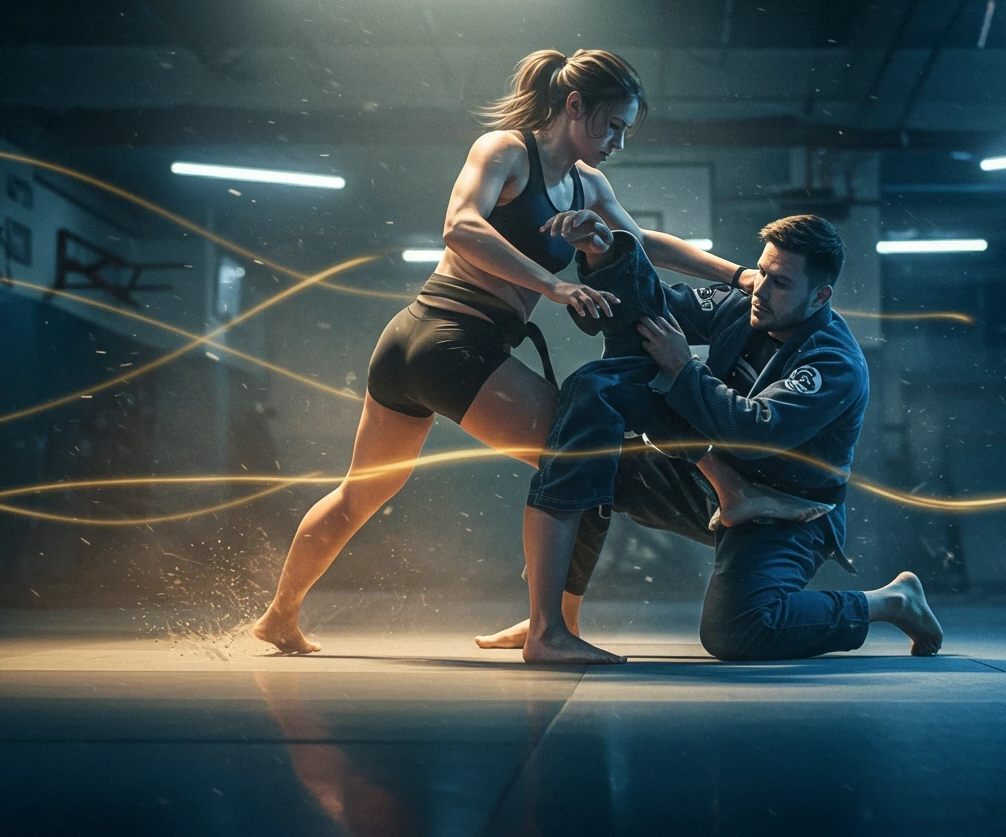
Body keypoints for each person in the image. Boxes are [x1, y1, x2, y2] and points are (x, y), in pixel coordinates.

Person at [252, 49, 817, 664]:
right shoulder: (504, 151)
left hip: (426, 344)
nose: (618, 143)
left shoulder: (587, 184)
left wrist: (738, 275)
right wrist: (556, 285)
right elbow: (459, 226)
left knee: (364, 493)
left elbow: (642, 242)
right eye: (613, 126)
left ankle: (280, 616)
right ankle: (549, 632)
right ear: (574, 106)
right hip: (445, 341)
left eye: (626, 131)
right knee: (583, 458)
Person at [476, 215, 945, 661]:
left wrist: (683, 368)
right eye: (761, 273)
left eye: (780, 283)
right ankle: (554, 620)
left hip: (787, 511)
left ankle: (888, 603)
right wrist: (603, 255)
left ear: (820, 296)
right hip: (706, 481)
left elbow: (752, 432)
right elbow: (651, 312)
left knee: (736, 631)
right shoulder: (743, 306)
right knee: (596, 429)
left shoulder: (833, 362)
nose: (760, 290)